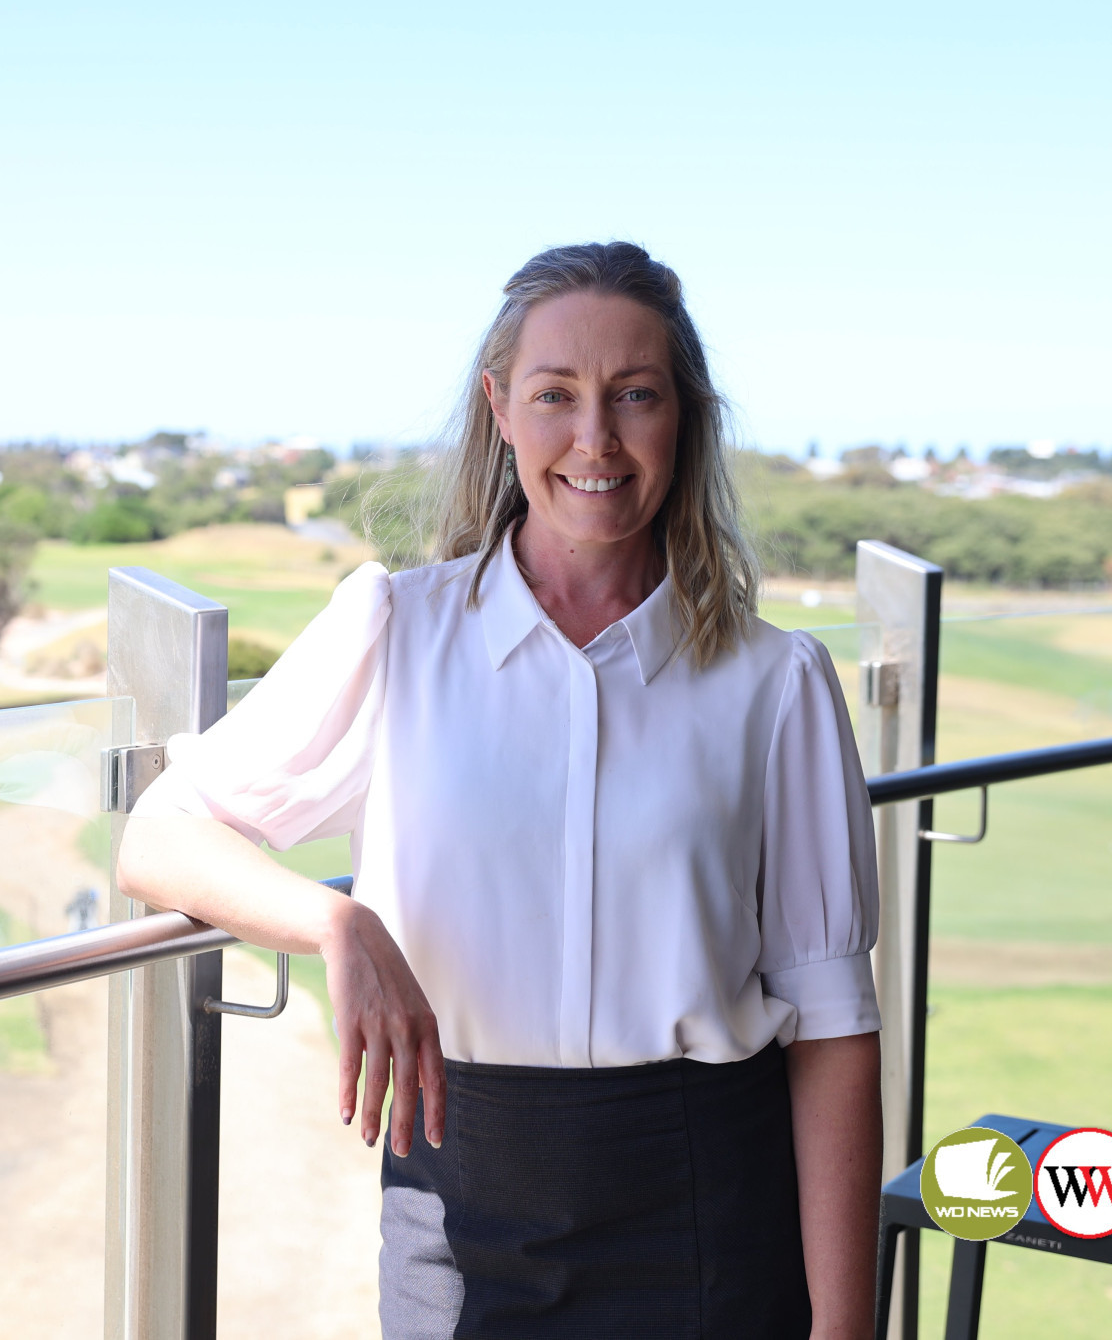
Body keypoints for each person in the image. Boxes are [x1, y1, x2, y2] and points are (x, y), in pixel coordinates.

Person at [118, 242, 882, 1339]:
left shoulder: (777, 684)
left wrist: (843, 1330)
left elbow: (832, 1031)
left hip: (708, 1212)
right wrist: (338, 923)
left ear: (684, 419)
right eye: (554, 396)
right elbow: (159, 837)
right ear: (499, 410)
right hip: (454, 1207)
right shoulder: (394, 631)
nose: (594, 439)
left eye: (634, 396)